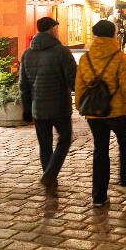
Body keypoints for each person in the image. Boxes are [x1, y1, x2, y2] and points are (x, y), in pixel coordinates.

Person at [74, 20, 126, 204]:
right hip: (118, 112)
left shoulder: (86, 58)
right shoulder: (119, 57)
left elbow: (80, 87)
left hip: (94, 113)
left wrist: (78, 105)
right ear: (113, 35)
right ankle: (124, 181)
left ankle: (98, 196)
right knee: (124, 143)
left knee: (100, 150)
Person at [19, 17, 77, 192]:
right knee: (65, 139)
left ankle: (49, 176)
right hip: (59, 106)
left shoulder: (27, 54)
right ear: (52, 29)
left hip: (38, 108)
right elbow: (74, 80)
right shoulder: (61, 52)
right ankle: (50, 174)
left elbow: (23, 85)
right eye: (56, 28)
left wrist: (27, 109)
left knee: (45, 144)